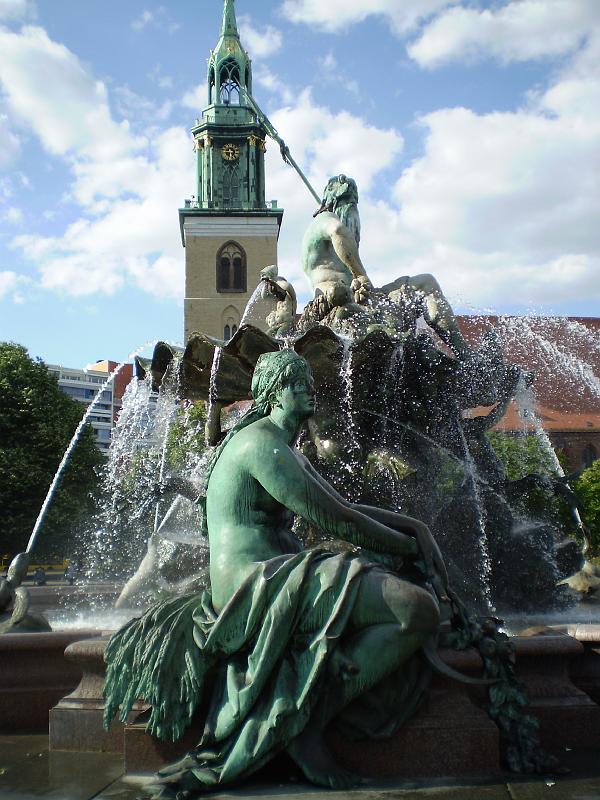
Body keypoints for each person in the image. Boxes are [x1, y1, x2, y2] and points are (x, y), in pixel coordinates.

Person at [103, 350, 447, 796]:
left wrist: (414, 527)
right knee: (415, 610)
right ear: (271, 394)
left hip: (277, 574)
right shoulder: (260, 444)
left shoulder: (279, 445)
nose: (307, 388)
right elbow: (334, 519)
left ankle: (304, 716)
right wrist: (409, 548)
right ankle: (302, 725)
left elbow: (339, 505)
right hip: (256, 584)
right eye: (294, 381)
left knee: (407, 601)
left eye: (307, 379)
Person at [302, 175, 476, 358]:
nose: (352, 207)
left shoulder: (346, 239)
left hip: (364, 300)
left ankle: (464, 354)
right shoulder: (323, 221)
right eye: (346, 201)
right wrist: (360, 275)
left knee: (426, 282)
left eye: (354, 202)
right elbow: (338, 232)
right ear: (329, 201)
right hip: (335, 304)